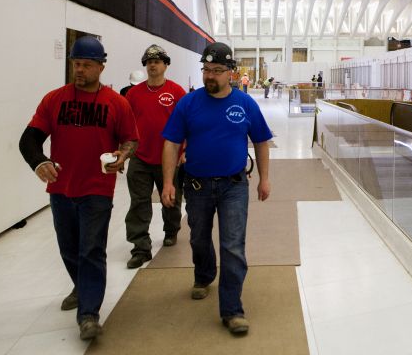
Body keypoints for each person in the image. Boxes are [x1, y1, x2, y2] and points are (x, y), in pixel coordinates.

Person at [18, 36, 138, 341]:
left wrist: (122, 156)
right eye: (75, 64)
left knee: (91, 250)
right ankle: (82, 286)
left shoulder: (116, 103)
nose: (79, 70)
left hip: (97, 187)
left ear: (101, 67)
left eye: (86, 64)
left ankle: (88, 315)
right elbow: (28, 139)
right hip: (61, 189)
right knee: (69, 249)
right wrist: (38, 162)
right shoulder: (54, 99)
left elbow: (130, 140)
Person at [160, 42, 272, 336]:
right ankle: (204, 274)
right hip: (196, 186)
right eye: (206, 70)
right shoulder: (189, 103)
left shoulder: (245, 104)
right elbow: (171, 142)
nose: (210, 76)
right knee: (198, 238)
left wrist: (264, 178)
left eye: (217, 71)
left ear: (231, 73)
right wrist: (169, 181)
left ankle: (232, 309)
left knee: (233, 247)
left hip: (234, 186)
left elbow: (261, 140)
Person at [123, 44, 187, 268]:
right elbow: (124, 125)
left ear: (165, 65)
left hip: (168, 159)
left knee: (170, 199)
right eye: (149, 62)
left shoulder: (177, 92)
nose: (152, 65)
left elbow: (187, 125)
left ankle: (171, 230)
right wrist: (122, 152)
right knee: (138, 203)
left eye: (157, 61)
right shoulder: (133, 94)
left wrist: (184, 150)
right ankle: (140, 247)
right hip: (139, 157)